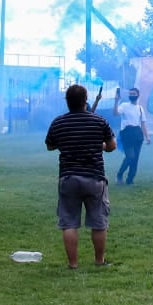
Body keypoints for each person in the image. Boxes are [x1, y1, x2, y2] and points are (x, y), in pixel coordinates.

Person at [45, 84, 116, 269]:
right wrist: (99, 145)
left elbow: (50, 145)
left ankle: (73, 264)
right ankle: (99, 261)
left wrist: (66, 143)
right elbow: (112, 146)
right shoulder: (100, 121)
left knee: (69, 223)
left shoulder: (58, 122)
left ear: (67, 102)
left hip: (68, 178)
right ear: (85, 101)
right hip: (94, 177)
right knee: (98, 223)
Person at [113, 87, 150, 185]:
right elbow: (115, 113)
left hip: (137, 134)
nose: (132, 95)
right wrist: (116, 101)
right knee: (130, 156)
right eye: (131, 93)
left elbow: (143, 124)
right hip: (127, 133)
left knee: (135, 158)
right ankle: (119, 174)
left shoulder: (140, 108)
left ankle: (130, 179)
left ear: (138, 95)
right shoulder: (124, 105)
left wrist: (147, 137)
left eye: (134, 93)